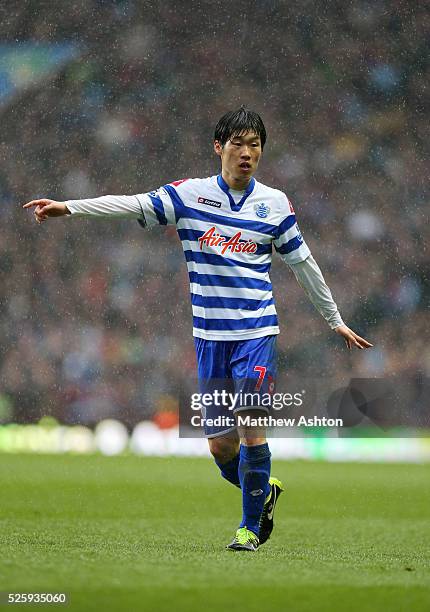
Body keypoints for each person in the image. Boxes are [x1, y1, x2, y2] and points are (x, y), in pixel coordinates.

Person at [23, 107, 372, 552]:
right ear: (219, 147)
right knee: (221, 450)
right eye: (238, 144)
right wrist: (69, 207)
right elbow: (132, 203)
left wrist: (333, 318)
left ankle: (249, 529)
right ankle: (264, 490)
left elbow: (303, 264)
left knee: (251, 423)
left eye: (255, 145)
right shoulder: (190, 196)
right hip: (210, 340)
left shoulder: (275, 204)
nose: (247, 153)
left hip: (256, 333)